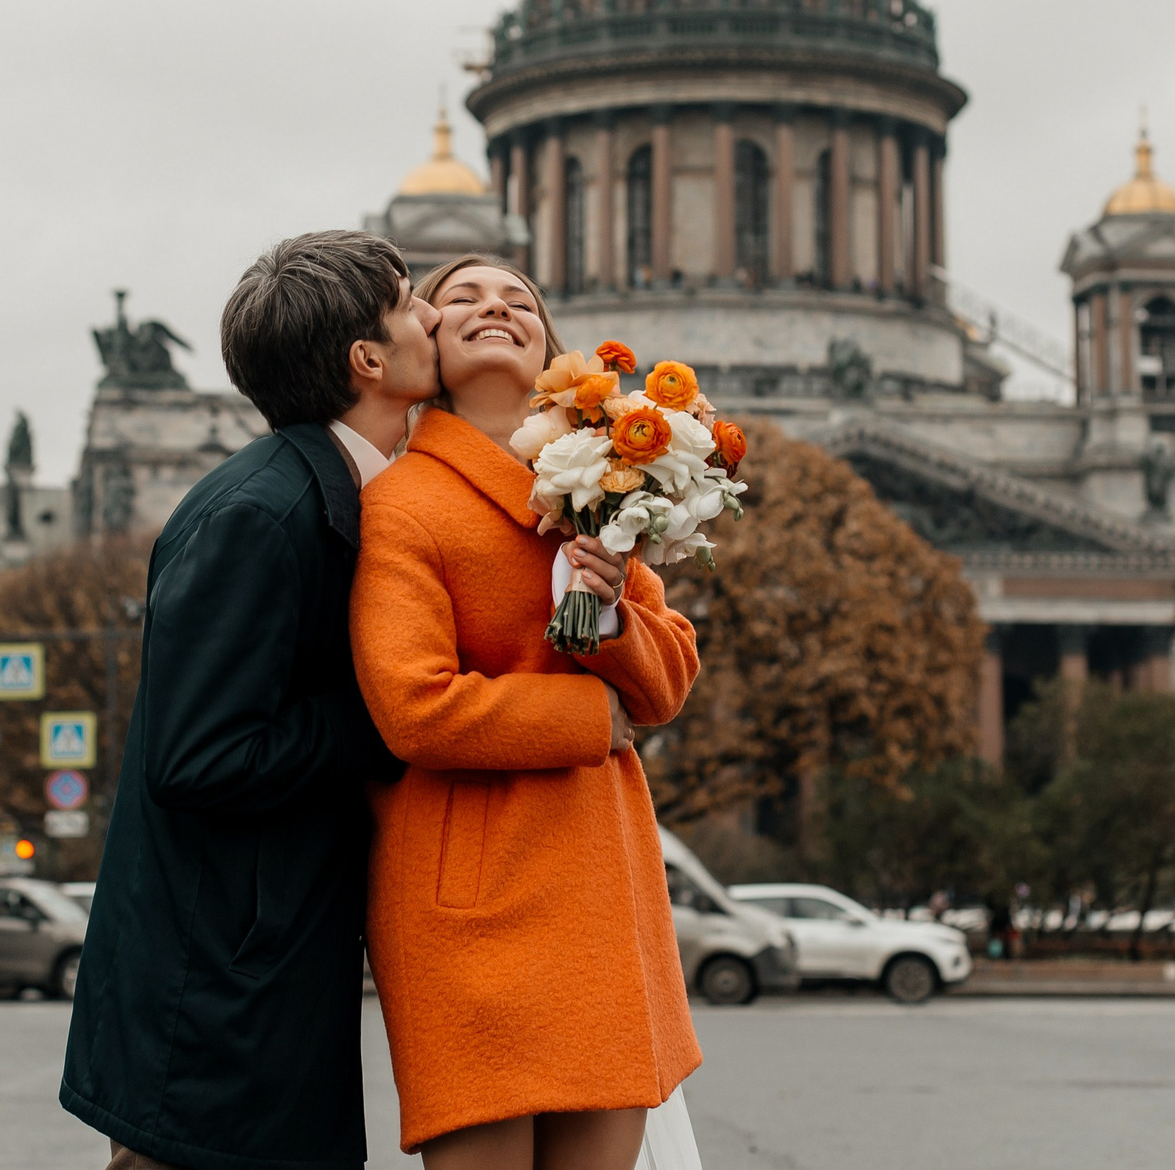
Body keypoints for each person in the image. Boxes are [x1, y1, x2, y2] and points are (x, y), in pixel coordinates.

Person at [61, 230, 441, 1170]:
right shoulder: (258, 515)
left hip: (257, 961)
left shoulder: (325, 493)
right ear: (368, 358)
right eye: (409, 301)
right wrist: (392, 717)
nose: (435, 313)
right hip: (218, 985)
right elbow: (199, 756)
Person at [351, 253, 703, 1170]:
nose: (493, 307)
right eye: (459, 297)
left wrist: (611, 608)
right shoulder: (400, 504)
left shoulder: (605, 494)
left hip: (600, 892)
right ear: (420, 337)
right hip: (473, 898)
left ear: (549, 343)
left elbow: (665, 684)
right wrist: (590, 718)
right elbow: (414, 709)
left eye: (518, 298)